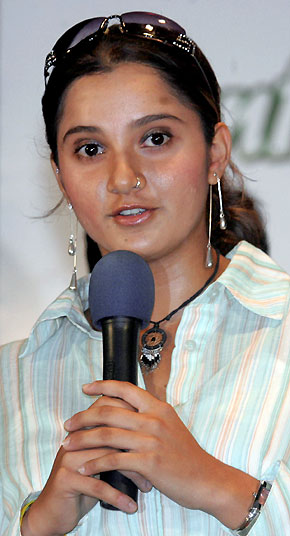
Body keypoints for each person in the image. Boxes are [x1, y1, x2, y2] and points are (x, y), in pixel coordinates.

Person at [0, 11, 289, 536]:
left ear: (214, 153)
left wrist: (218, 486)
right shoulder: (10, 380)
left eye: (155, 138)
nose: (124, 177)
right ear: (61, 177)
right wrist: (36, 525)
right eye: (90, 149)